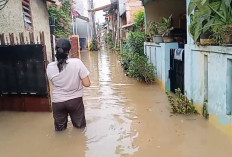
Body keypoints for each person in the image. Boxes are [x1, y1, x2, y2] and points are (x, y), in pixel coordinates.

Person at [46, 38, 90, 131]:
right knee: (80, 129)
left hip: (58, 102)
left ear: (55, 49)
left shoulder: (49, 67)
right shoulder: (77, 62)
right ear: (69, 50)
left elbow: (53, 83)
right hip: (75, 101)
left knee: (60, 131)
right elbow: (87, 84)